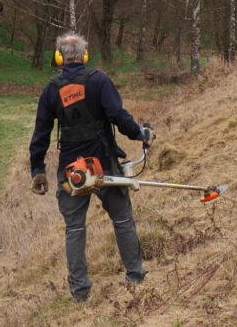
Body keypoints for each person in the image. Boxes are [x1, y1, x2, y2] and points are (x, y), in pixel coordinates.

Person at [29, 32, 155, 302]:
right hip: (104, 164)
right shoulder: (99, 81)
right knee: (122, 219)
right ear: (85, 56)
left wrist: (37, 168)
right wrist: (140, 134)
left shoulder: (52, 88)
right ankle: (135, 276)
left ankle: (80, 293)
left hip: (72, 172)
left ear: (60, 58)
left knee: (75, 229)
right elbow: (119, 117)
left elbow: (41, 131)